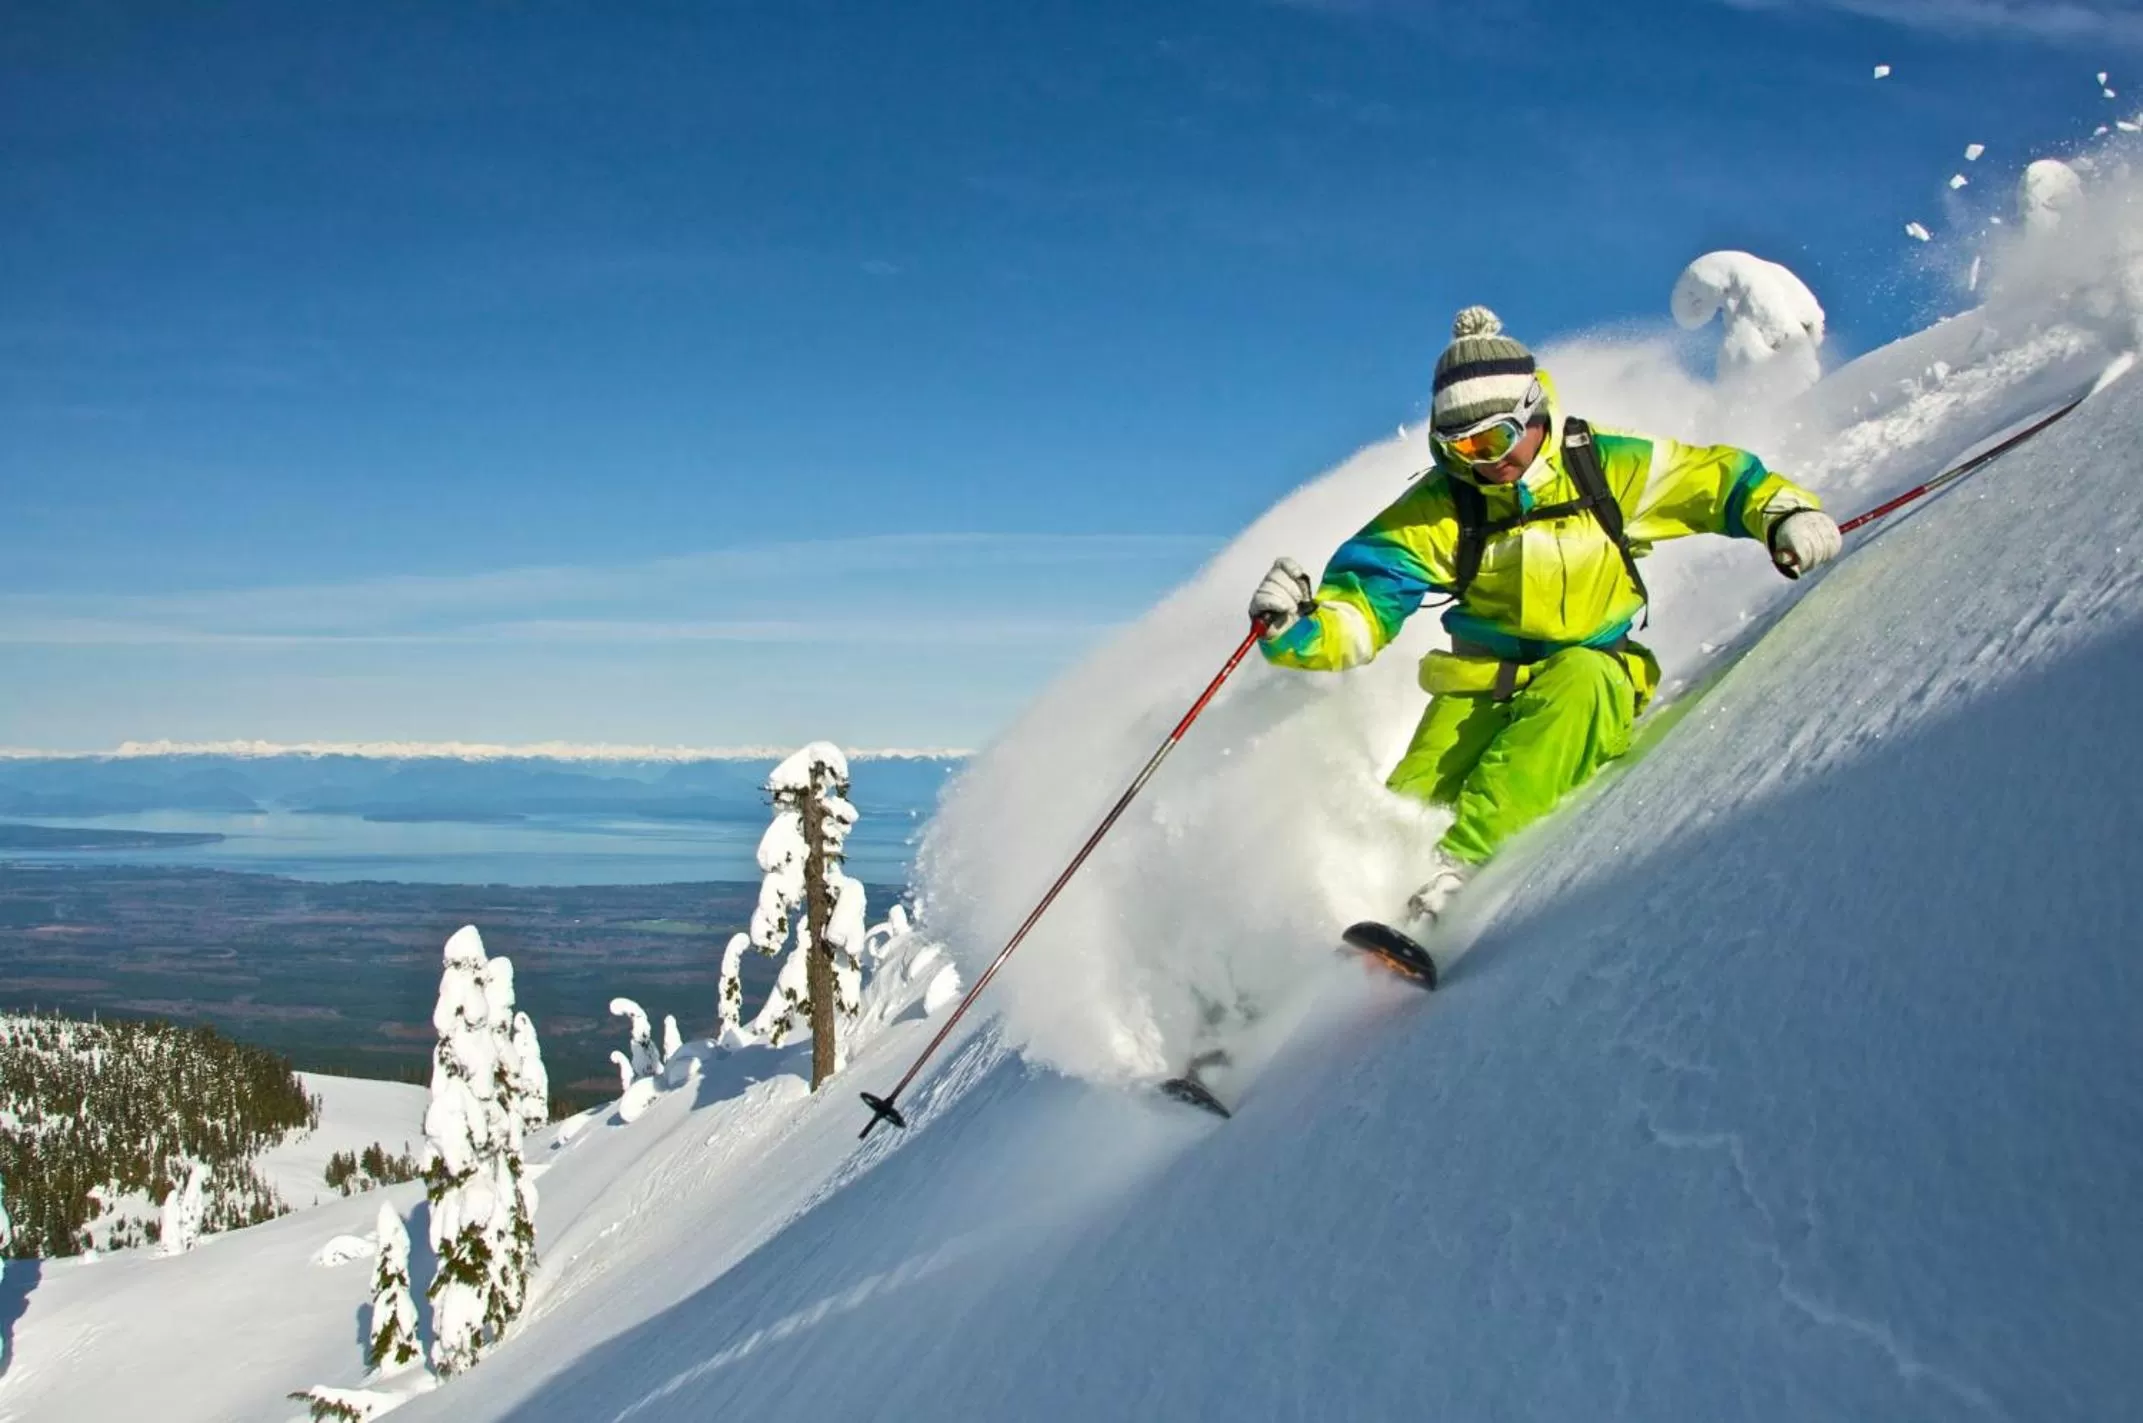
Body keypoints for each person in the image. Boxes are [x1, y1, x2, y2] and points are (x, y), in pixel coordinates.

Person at [1251, 307, 1840, 933]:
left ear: (1533, 412)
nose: (1483, 463)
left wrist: (1783, 515)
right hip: (1479, 687)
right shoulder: (1444, 506)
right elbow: (1366, 602)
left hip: (1591, 674)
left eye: (1495, 439)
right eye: (1460, 449)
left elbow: (1719, 483)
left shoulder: (1605, 468)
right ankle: (1309, 962)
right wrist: (1299, 630)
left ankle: (1454, 882)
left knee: (1562, 711)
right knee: (1407, 806)